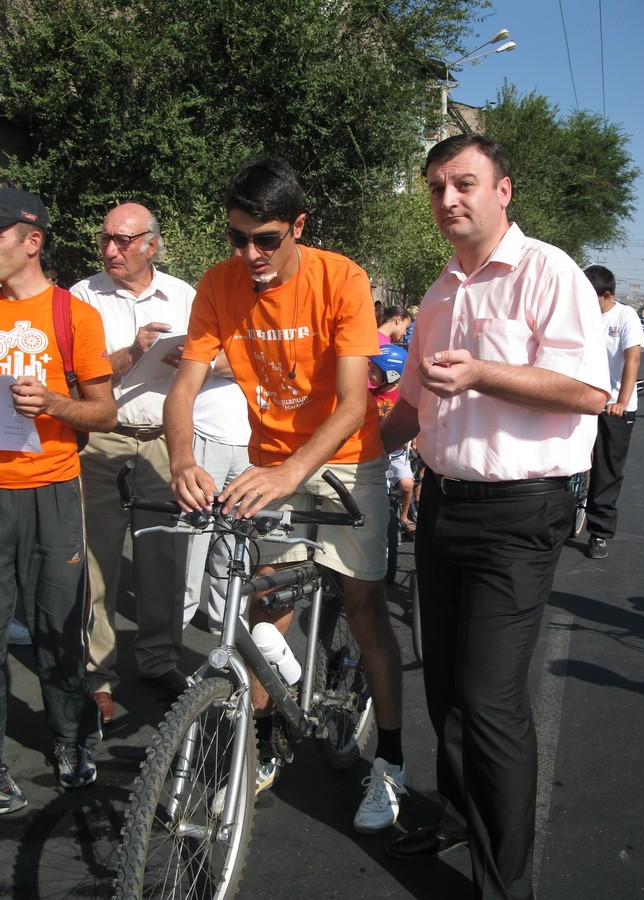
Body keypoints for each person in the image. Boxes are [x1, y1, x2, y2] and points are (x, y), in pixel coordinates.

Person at [379, 134, 610, 898]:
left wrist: (481, 374)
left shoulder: (548, 272)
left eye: (463, 183)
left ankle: (506, 887)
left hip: (520, 509)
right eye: (435, 187)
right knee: (444, 687)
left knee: (489, 699)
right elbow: (409, 407)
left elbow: (587, 390)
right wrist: (327, 458)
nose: (447, 199)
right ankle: (455, 814)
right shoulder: (439, 292)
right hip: (441, 502)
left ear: (502, 191)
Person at [164, 157, 405, 833]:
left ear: (298, 226)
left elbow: (354, 403)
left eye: (265, 239)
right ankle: (265, 742)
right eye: (237, 238)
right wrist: (182, 460)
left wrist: (293, 472)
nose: (250, 255)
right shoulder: (219, 284)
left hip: (344, 460)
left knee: (363, 606)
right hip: (270, 463)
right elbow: (182, 388)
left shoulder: (341, 278)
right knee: (262, 602)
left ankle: (390, 758)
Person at [0, 188, 117, 811]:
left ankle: (70, 740)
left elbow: (104, 412)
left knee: (57, 625)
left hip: (52, 487)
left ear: (32, 240)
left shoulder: (74, 316)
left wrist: (51, 402)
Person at [70, 202, 195, 724]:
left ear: (151, 244)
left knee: (161, 558)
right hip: (102, 441)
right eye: (105, 239)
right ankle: (97, 676)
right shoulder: (82, 297)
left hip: (165, 443)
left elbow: (216, 362)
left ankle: (159, 660)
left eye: (122, 240)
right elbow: (73, 379)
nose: (111, 249)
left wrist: (192, 360)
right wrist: (132, 352)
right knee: (96, 561)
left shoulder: (185, 296)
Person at [182, 356, 251, 633]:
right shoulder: (208, 327)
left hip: (251, 439)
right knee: (193, 532)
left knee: (237, 535)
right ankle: (178, 617)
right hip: (205, 431)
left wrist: (217, 364)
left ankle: (228, 620)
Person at [582, 265, 644, 560]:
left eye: (591, 296)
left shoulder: (625, 316)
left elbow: (632, 359)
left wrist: (621, 401)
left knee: (606, 470)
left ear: (607, 295)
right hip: (583, 399)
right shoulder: (581, 313)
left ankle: (599, 533)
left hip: (615, 407)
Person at [368, 345, 416, 538]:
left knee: (407, 485)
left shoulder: (404, 397)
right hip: (374, 449)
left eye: (373, 370)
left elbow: (414, 419)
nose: (369, 373)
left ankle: (404, 517)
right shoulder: (369, 394)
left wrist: (415, 440)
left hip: (397, 452)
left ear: (392, 373)